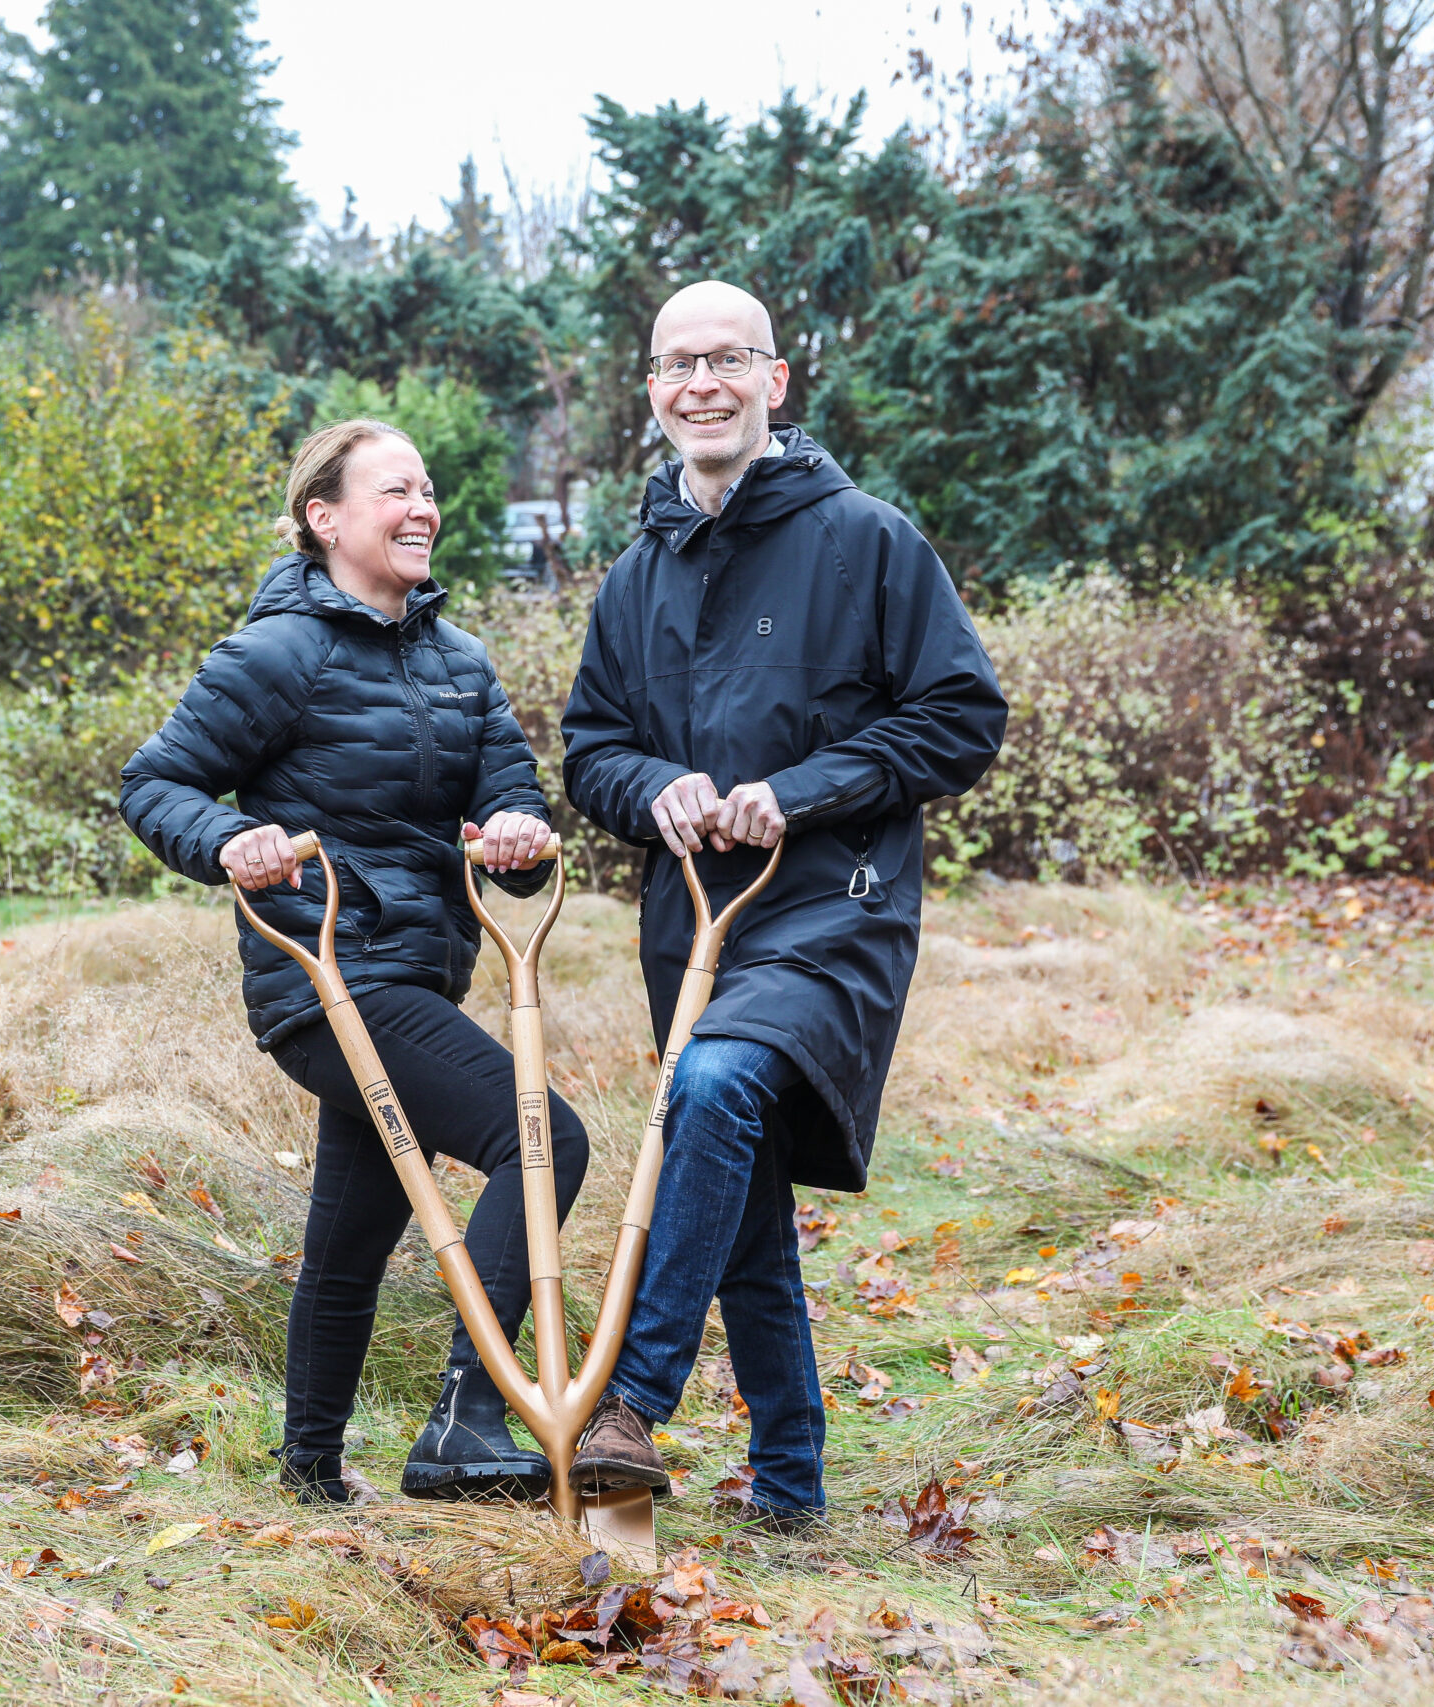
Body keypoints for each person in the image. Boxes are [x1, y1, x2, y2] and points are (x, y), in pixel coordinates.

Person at [559, 281, 1008, 1529]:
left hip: (833, 909)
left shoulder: (867, 541)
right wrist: (654, 788)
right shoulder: (632, 578)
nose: (699, 383)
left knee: (713, 1093)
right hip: (690, 928)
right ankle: (794, 1492)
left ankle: (631, 1405)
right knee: (738, 1202)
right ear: (650, 393)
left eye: (725, 359)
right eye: (674, 364)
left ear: (775, 380)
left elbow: (962, 717)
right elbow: (589, 749)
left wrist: (794, 793)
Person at [120, 418, 587, 1506]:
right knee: (545, 1139)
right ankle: (466, 1422)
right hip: (325, 975)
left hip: (415, 975)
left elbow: (509, 793)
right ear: (323, 518)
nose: (421, 508)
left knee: (354, 1226)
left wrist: (515, 831)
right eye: (394, 491)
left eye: (427, 489)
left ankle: (309, 1472)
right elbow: (154, 783)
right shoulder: (276, 653)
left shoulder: (459, 660)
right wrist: (226, 840)